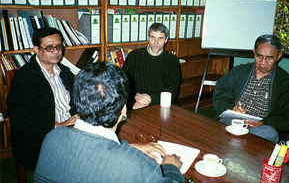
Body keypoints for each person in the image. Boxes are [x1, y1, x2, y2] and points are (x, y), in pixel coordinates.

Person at [34, 62, 185, 183]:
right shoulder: (135, 167)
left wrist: (130, 146)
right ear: (124, 110)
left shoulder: (52, 137)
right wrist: (170, 168)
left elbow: (91, 150)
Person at [7, 27, 79, 171]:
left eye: (59, 47)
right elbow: (21, 121)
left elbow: (79, 97)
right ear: (36, 49)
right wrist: (61, 125)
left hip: (72, 129)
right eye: (49, 48)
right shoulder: (24, 79)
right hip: (41, 138)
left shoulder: (64, 72)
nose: (56, 52)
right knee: (85, 158)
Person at [213, 34, 289, 142]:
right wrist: (231, 108)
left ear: (279, 56)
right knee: (218, 125)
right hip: (234, 121)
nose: (263, 62)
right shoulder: (239, 72)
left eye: (269, 58)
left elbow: (288, 118)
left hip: (260, 128)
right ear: (254, 52)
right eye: (259, 56)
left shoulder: (286, 83)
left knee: (269, 134)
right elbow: (220, 93)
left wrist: (264, 122)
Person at [123, 23, 181, 110]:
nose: (156, 42)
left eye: (160, 38)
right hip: (134, 104)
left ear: (166, 40)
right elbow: (123, 83)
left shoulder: (172, 61)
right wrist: (136, 96)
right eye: (152, 37)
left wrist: (149, 100)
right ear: (148, 37)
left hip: (159, 105)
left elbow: (172, 91)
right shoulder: (134, 56)